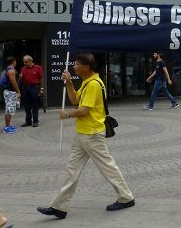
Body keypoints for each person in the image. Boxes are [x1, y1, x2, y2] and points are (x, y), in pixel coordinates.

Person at [37, 53, 135, 219]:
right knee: (72, 170)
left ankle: (126, 198)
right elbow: (75, 99)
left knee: (108, 167)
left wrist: (66, 115)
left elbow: (83, 111)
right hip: (82, 134)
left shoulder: (94, 84)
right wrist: (68, 82)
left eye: (77, 64)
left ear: (87, 67)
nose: (74, 66)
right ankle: (59, 207)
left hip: (92, 134)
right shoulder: (86, 82)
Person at [19, 55, 44, 127]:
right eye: (24, 62)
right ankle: (28, 121)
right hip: (25, 87)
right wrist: (20, 78)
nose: (25, 63)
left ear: (30, 61)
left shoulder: (38, 67)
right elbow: (21, 79)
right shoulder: (23, 68)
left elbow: (41, 78)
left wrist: (42, 89)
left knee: (34, 105)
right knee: (26, 105)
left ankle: (35, 121)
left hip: (34, 87)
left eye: (26, 62)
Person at [2, 57, 21, 134]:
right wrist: (18, 92)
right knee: (9, 110)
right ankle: (7, 127)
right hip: (10, 92)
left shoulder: (7, 69)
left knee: (9, 109)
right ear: (14, 61)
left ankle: (8, 125)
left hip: (8, 91)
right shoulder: (11, 71)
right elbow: (14, 82)